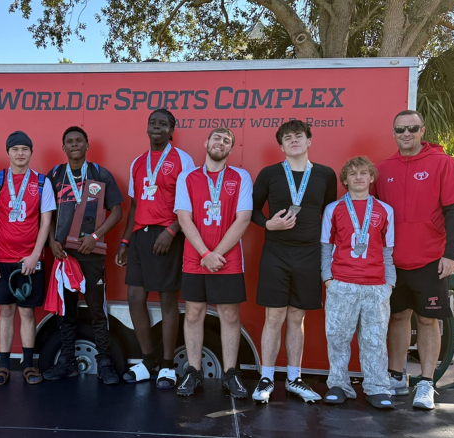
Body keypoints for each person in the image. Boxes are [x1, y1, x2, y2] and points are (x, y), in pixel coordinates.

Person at [373, 110, 454, 410]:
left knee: (428, 320)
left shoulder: (443, 162)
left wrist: (451, 254)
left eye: (412, 128)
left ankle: (426, 383)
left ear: (422, 130)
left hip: (430, 259)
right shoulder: (383, 168)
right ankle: (397, 377)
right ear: (394, 132)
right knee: (398, 317)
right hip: (393, 261)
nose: (407, 133)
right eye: (400, 129)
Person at [251, 120, 337, 403]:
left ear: (309, 141)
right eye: (287, 138)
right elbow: (251, 211)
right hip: (276, 252)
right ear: (281, 146)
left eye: (299, 136)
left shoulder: (326, 174)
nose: (293, 141)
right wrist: (268, 225)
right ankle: (266, 377)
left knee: (297, 317)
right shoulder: (269, 174)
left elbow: (329, 214)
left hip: (309, 254)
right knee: (274, 316)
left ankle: (294, 378)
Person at [115, 109, 194, 388]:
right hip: (139, 237)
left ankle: (168, 366)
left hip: (167, 236)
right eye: (152, 123)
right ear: (147, 128)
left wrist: (172, 231)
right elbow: (134, 206)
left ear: (172, 129)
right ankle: (148, 361)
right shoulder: (138, 162)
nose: (156, 127)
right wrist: (125, 241)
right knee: (135, 297)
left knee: (167, 301)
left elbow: (190, 203)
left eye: (163, 124)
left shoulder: (183, 160)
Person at [174, 127, 253, 397]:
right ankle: (193, 372)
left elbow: (243, 219)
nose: (221, 143)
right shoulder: (187, 177)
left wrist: (215, 253)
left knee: (229, 315)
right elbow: (184, 219)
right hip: (195, 257)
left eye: (227, 141)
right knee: (194, 313)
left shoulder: (241, 176)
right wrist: (205, 254)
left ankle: (231, 373)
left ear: (231, 149)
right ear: (206, 142)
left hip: (228, 258)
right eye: (217, 138)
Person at [42, 126, 123, 385]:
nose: (74, 144)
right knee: (67, 312)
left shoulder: (100, 174)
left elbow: (117, 212)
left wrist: (95, 236)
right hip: (64, 256)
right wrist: (52, 241)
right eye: (69, 141)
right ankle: (67, 362)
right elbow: (47, 214)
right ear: (63, 147)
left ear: (87, 145)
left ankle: (105, 364)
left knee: (97, 311)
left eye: (79, 140)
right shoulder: (54, 175)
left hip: (91, 253)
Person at [320, 157, 395, 409]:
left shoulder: (385, 210)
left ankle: (376, 387)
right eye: (352, 174)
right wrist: (328, 279)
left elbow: (387, 250)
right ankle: (339, 384)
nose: (359, 177)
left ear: (372, 178)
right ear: (345, 180)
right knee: (338, 337)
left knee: (375, 339)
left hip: (376, 286)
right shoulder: (333, 209)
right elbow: (326, 248)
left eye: (364, 173)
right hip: (342, 283)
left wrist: (389, 284)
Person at [0, 131, 55, 386]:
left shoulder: (43, 182)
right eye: (15, 149)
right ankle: (3, 366)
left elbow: (46, 223)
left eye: (25, 149)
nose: (20, 153)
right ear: (8, 152)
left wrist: (35, 255)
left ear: (31, 152)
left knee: (27, 313)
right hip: (1, 259)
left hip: (29, 261)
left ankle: (29, 365)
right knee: (5, 312)